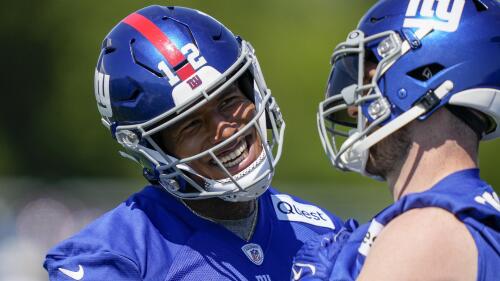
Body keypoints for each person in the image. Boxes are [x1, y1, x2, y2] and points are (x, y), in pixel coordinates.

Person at [43, 5, 346, 281]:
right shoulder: (113, 256)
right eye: (191, 124)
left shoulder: (324, 233)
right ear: (153, 148)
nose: (225, 131)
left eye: (228, 101)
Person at [292, 0, 500, 280]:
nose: (354, 109)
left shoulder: (426, 231)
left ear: (424, 78)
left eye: (369, 83)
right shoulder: (474, 218)